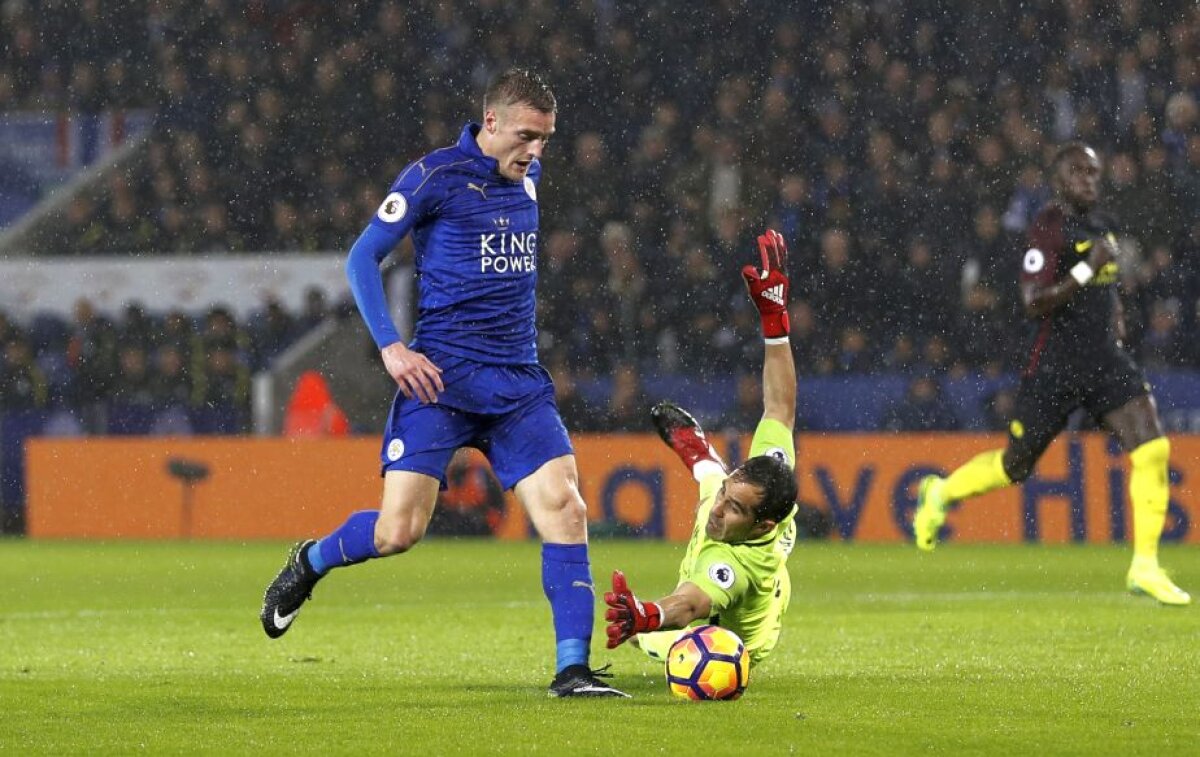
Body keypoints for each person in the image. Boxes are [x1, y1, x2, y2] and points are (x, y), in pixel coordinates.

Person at [259, 68, 629, 697]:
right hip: (440, 382)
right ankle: (310, 561)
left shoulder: (527, 177)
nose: (536, 151)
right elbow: (360, 257)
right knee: (397, 533)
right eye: (526, 135)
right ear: (490, 123)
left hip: (516, 385)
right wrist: (392, 348)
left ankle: (572, 669)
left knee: (566, 509)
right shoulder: (432, 177)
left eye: (545, 139)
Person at [912, 142, 1189, 606]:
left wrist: (1114, 308)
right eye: (1078, 172)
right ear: (1058, 179)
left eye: (1094, 172)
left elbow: (1109, 278)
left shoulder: (1103, 225)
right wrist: (1086, 270)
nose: (1088, 180)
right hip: (1055, 367)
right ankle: (940, 492)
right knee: (1015, 464)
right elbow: (1032, 301)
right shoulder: (1047, 227)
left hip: (1104, 361)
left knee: (1153, 446)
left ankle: (1145, 566)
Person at [603, 229, 800, 668]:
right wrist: (774, 316)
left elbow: (691, 604)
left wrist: (647, 614)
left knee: (652, 640)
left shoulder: (737, 566)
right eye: (728, 496)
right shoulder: (769, 476)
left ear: (761, 525)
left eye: (733, 509)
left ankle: (699, 452)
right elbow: (781, 408)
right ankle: (702, 456)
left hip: (730, 636)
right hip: (753, 546)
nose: (719, 509)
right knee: (713, 482)